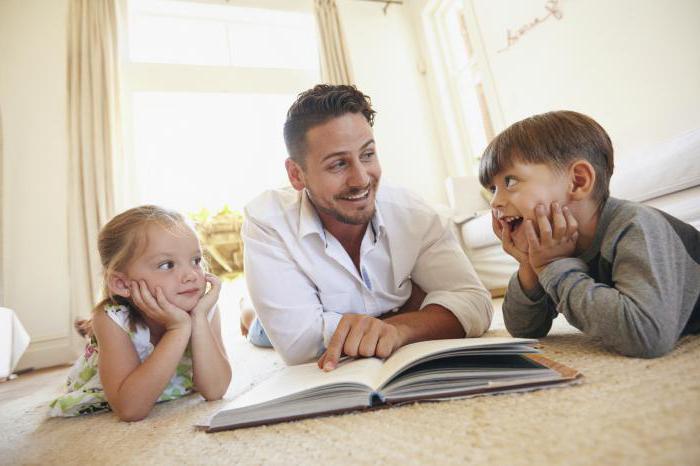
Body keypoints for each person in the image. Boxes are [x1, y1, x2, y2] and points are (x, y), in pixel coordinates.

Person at [241, 84, 493, 369]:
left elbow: (476, 303)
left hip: (371, 310)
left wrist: (399, 329)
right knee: (260, 331)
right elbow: (299, 345)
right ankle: (248, 309)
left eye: (367, 154)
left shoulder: (413, 213)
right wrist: (420, 312)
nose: (361, 179)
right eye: (338, 164)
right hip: (284, 314)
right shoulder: (266, 221)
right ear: (296, 175)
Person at [479, 110, 700, 358]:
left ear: (578, 181)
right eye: (492, 189)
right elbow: (524, 328)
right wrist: (529, 265)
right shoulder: (553, 244)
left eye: (510, 181)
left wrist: (555, 267)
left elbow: (646, 335)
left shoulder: (635, 225)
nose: (496, 202)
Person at [49, 205, 231, 420]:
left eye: (196, 260)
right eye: (167, 265)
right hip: (119, 386)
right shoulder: (111, 319)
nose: (191, 275)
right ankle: (92, 333)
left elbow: (215, 390)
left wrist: (198, 319)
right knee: (100, 329)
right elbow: (130, 409)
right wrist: (178, 328)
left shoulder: (203, 309)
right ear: (122, 283)